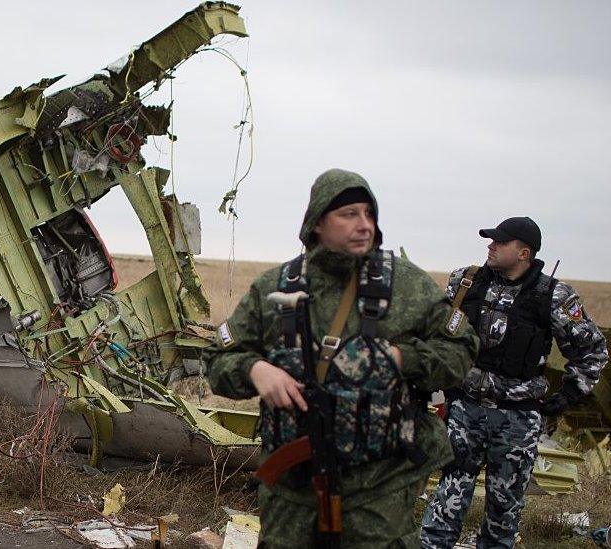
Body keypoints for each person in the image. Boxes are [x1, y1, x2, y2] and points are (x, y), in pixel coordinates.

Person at [205, 169, 478, 547]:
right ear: (317, 221)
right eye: (349, 214)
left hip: (380, 488)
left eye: (369, 214)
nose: (364, 225)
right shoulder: (275, 289)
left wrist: (402, 358)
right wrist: (255, 369)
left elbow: (462, 347)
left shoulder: (406, 286)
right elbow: (217, 359)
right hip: (291, 490)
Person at [420, 216, 608, 548]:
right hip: (464, 411)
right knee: (443, 511)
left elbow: (593, 351)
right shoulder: (465, 282)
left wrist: (567, 395)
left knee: (502, 518)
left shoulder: (552, 295)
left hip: (517, 420)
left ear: (524, 253)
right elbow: (437, 337)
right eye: (491, 241)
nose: (490, 246)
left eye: (500, 242)